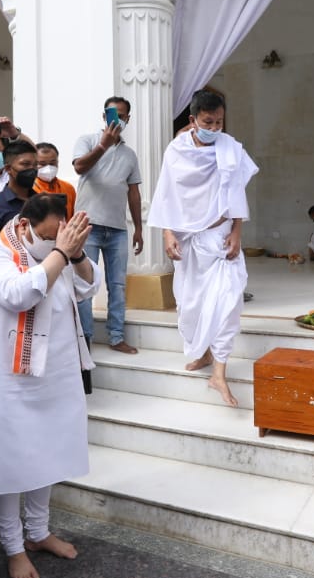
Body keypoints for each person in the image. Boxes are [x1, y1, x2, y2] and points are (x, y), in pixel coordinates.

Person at [0, 194, 98, 578]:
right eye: (47, 237)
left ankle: (39, 532)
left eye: (59, 237)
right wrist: (60, 252)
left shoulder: (60, 250)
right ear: (24, 225)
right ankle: (13, 547)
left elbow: (87, 288)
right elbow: (19, 293)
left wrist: (74, 256)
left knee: (48, 453)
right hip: (10, 377)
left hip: (57, 371)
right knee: (10, 461)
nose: (52, 244)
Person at [148, 89, 258, 407]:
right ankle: (203, 353)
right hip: (187, 242)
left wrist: (237, 231)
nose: (214, 128)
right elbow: (167, 195)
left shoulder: (231, 148)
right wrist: (168, 234)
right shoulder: (175, 151)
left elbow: (237, 193)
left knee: (227, 303)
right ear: (192, 120)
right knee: (191, 304)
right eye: (208, 121)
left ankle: (219, 373)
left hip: (220, 237)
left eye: (219, 122)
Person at [72, 96, 144, 355]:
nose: (119, 120)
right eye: (114, 115)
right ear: (104, 116)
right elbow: (79, 167)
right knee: (84, 285)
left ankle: (116, 336)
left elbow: (133, 193)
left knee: (118, 285)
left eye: (123, 116)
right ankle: (85, 340)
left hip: (117, 230)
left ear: (128, 119)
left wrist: (139, 227)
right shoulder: (87, 141)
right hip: (86, 226)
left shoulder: (129, 155)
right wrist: (103, 145)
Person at [34, 142, 76, 216]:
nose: (48, 167)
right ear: (33, 164)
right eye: (42, 164)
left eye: (52, 163)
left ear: (57, 162)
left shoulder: (68, 188)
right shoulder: (28, 189)